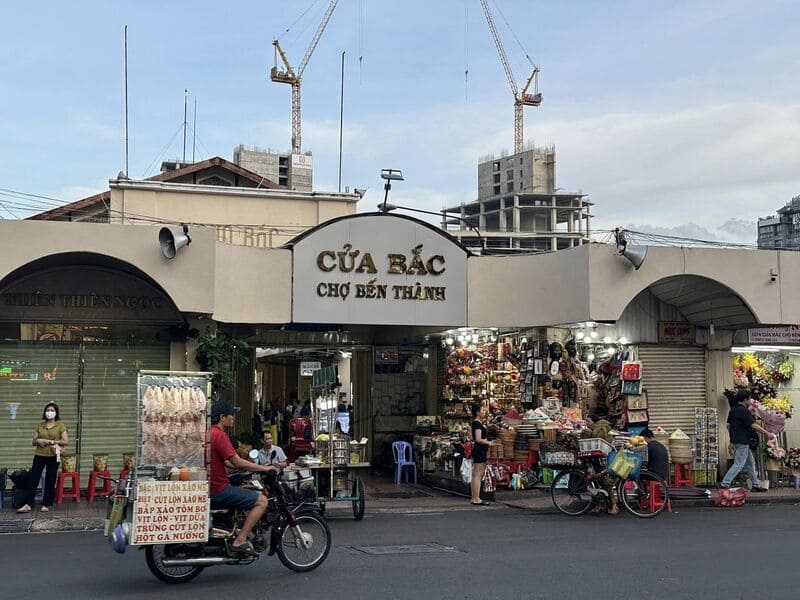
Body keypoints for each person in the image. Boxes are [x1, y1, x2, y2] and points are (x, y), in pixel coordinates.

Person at [210, 401, 279, 554]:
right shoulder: (219, 435)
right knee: (262, 501)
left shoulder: (210, 432)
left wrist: (245, 464)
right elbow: (237, 462)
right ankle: (240, 540)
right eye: (231, 414)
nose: (233, 417)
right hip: (219, 489)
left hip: (213, 486)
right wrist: (265, 467)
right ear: (222, 417)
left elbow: (228, 462)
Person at [18, 402, 68, 514]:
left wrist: (51, 441)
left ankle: (46, 504)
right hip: (40, 455)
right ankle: (28, 504)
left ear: (56, 412)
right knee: (33, 479)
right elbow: (33, 441)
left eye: (52, 410)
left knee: (50, 479)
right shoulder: (40, 425)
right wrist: (38, 441)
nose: (49, 412)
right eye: (48, 410)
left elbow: (65, 441)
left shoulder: (60, 425)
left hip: (53, 455)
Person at [721, 389, 774, 491]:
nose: (751, 401)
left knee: (750, 463)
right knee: (739, 464)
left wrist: (732, 438)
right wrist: (767, 433)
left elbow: (728, 425)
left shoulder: (733, 410)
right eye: (750, 399)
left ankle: (755, 485)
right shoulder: (744, 411)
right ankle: (725, 483)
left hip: (737, 440)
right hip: (743, 441)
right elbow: (753, 425)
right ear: (745, 400)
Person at [470, 401, 492, 506]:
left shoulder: (477, 423)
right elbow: (478, 439)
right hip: (479, 450)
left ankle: (474, 497)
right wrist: (488, 442)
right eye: (482, 410)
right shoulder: (477, 424)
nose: (484, 412)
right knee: (477, 475)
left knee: (477, 474)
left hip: (479, 450)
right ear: (478, 412)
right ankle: (476, 498)